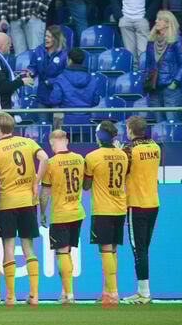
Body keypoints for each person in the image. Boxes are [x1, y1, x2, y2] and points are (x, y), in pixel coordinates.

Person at [0, 111, 49, 306]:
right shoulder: (27, 142)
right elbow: (45, 158)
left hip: (8, 203)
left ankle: (11, 296)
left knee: (9, 247)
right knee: (29, 247)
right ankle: (34, 295)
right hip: (28, 201)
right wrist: (36, 181)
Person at [83, 120, 128, 306]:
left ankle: (112, 293)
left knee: (105, 251)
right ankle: (108, 290)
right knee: (113, 251)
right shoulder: (123, 156)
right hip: (120, 207)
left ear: (99, 136)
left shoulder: (92, 157)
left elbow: (86, 186)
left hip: (103, 208)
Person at [38, 129, 85, 305]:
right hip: (77, 211)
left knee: (62, 253)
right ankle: (66, 291)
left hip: (60, 213)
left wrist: (42, 212)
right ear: (66, 140)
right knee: (68, 253)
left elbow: (45, 192)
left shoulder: (51, 163)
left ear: (51, 143)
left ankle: (69, 294)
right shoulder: (80, 159)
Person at [121, 115, 161, 305]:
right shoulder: (155, 147)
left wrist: (119, 151)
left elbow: (122, 172)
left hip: (136, 204)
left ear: (129, 130)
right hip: (153, 203)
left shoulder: (129, 150)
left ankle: (144, 293)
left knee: (139, 249)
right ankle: (143, 290)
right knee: (144, 248)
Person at [141, 11, 182, 122]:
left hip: (170, 87)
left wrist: (175, 82)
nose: (156, 21)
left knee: (172, 122)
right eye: (157, 19)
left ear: (168, 23)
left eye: (160, 19)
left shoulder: (177, 40)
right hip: (154, 88)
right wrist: (148, 81)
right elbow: (148, 63)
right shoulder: (151, 41)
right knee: (159, 124)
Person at [45, 49, 101, 139]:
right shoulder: (92, 78)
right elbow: (96, 100)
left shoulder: (61, 78)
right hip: (85, 122)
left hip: (65, 123)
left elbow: (55, 99)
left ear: (69, 60)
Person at [29, 25, 68, 117]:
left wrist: (51, 81)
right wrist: (30, 72)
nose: (46, 39)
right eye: (45, 36)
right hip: (42, 95)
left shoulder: (64, 55)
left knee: (57, 128)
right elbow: (33, 66)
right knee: (43, 126)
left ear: (56, 38)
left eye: (49, 37)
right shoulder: (39, 50)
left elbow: (66, 75)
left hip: (58, 96)